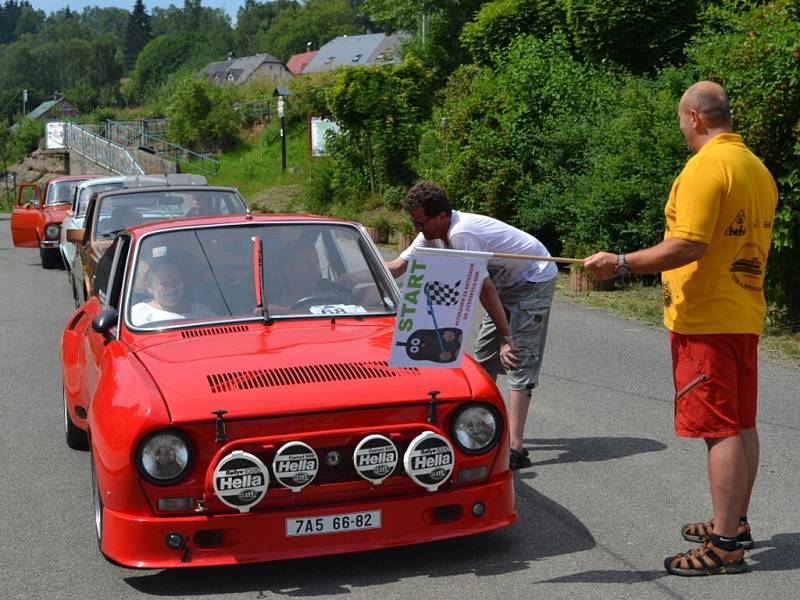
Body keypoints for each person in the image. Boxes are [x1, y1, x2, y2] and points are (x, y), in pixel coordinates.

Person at [584, 81, 778, 576]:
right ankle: (733, 520)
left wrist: (621, 263)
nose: (681, 128)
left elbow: (688, 245)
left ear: (693, 117)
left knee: (719, 430)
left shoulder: (704, 167)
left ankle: (724, 547)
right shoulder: (755, 168)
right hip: (742, 312)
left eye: (680, 120)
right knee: (740, 423)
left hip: (706, 318)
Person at [387, 181, 558, 470]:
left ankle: (516, 448)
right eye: (414, 223)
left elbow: (485, 289)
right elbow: (397, 267)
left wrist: (507, 337)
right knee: (484, 356)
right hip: (505, 284)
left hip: (532, 280)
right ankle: (479, 428)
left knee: (516, 357)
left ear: (441, 215)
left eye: (420, 223)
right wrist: (357, 278)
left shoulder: (461, 233)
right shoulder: (431, 233)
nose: (418, 229)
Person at [131, 259, 213, 325]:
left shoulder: (202, 311)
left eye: (176, 282)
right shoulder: (139, 314)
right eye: (164, 284)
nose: (172, 289)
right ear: (149, 286)